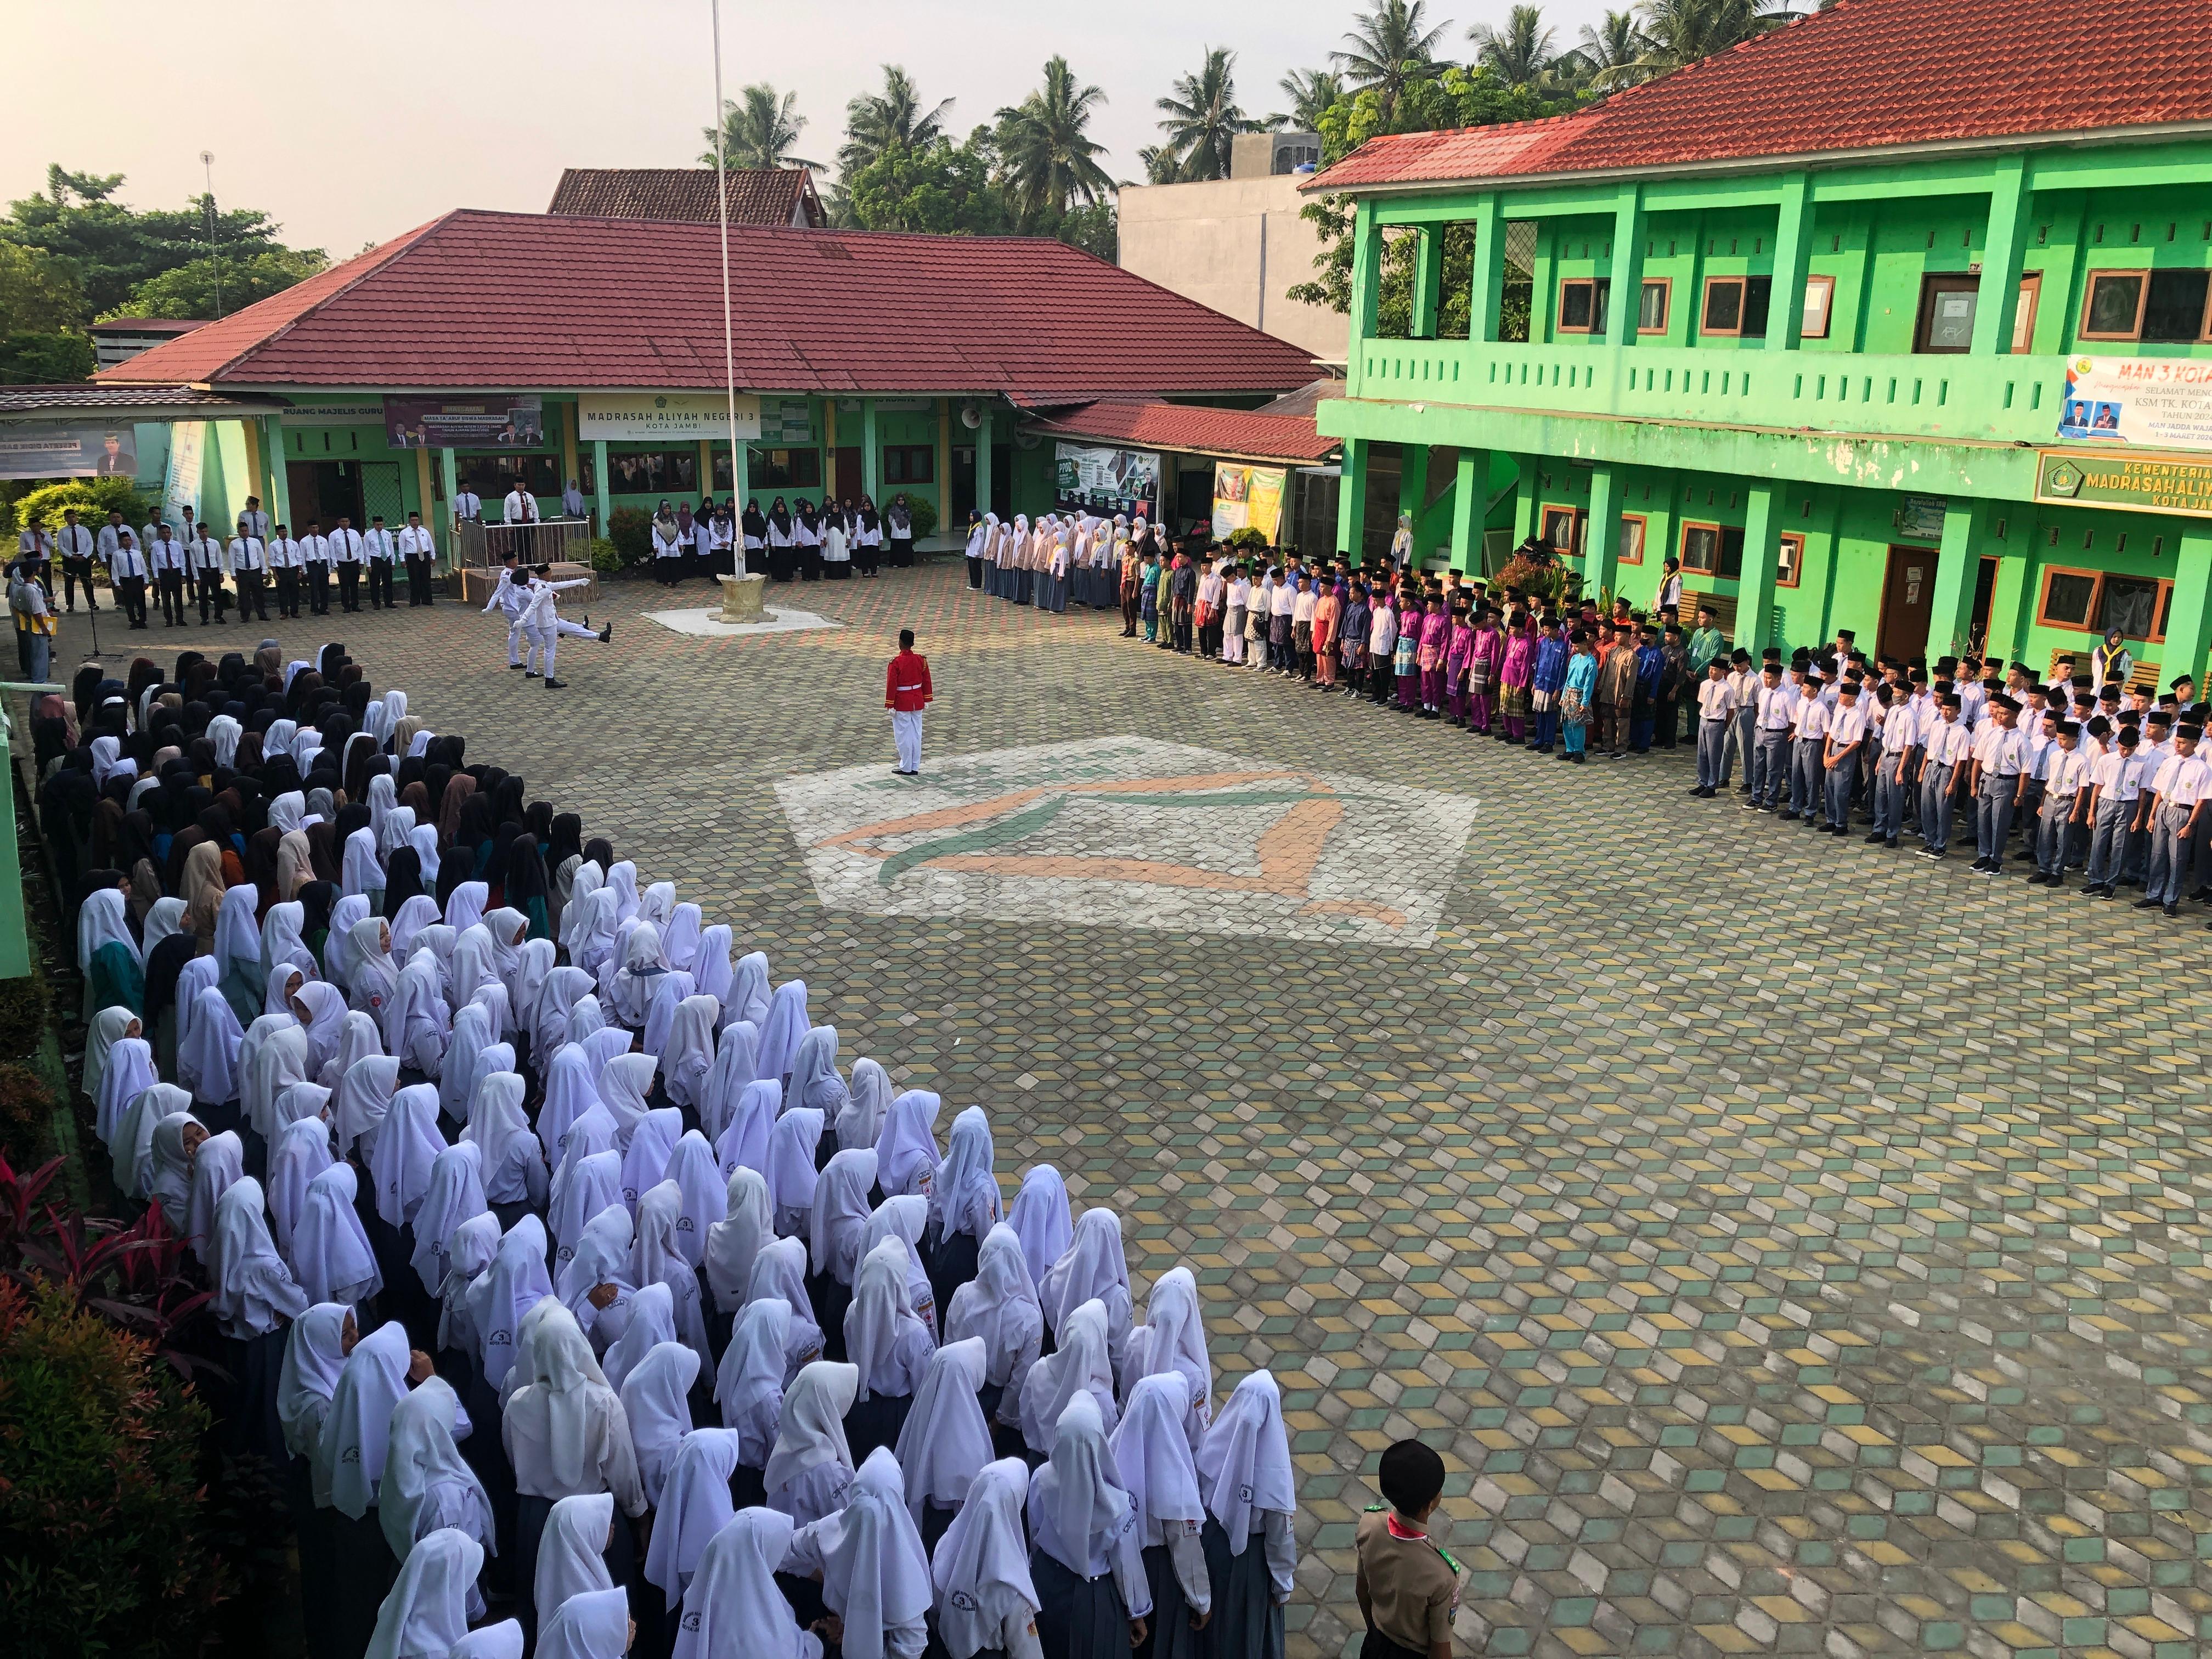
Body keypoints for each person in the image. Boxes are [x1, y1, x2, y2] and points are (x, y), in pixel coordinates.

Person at [1355, 1440, 1459, 1659]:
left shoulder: (1369, 1524)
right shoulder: (1442, 1575)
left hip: (1375, 1644)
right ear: (1431, 1503)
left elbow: (1362, 1591)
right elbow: (1440, 1649)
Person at [885, 629, 932, 778]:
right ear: (912, 644)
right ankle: (914, 766)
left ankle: (906, 766)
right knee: (916, 734)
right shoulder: (921, 660)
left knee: (903, 736)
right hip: (917, 700)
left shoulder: (896, 663)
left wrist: (890, 704)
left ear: (900, 643)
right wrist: (927, 699)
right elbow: (926, 681)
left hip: (902, 702)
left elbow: (892, 685)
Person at [484, 552, 532, 672]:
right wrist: (489, 608)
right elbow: (498, 593)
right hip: (512, 608)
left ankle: (514, 661)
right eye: (515, 559)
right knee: (518, 632)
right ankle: (514, 661)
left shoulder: (512, 573)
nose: (517, 561)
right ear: (509, 562)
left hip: (515, 607)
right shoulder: (506, 576)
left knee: (516, 632)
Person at [10, 557, 55, 683]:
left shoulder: (21, 588)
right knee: (40, 654)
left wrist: (28, 617)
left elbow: (17, 608)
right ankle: (40, 681)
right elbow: (37, 612)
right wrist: (44, 628)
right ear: (33, 572)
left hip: (30, 623)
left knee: (35, 652)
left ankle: (39, 679)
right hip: (38, 626)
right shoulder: (32, 591)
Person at [228, 519, 272, 622]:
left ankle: (262, 615)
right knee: (244, 596)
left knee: (259, 594)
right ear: (238, 532)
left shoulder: (255, 542)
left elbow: (261, 557)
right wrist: (233, 573)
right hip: (242, 572)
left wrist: (264, 571)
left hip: (255, 571)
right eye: (242, 531)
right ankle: (245, 616)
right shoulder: (234, 544)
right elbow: (231, 559)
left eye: (246, 530)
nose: (244, 533)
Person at [56, 507, 97, 613]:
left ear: (76, 518)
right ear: (66, 519)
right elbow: (61, 546)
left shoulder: (84, 530)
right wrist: (70, 556)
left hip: (84, 558)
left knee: (87, 581)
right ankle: (70, 604)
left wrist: (85, 556)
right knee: (69, 582)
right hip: (70, 559)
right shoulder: (62, 532)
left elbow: (90, 544)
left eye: (73, 517)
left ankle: (92, 603)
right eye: (69, 518)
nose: (71, 519)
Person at [150, 521, 190, 627]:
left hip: (176, 573)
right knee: (166, 598)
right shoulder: (155, 546)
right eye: (163, 533)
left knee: (178, 598)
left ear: (171, 534)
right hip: (164, 573)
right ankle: (169, 620)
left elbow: (182, 560)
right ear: (160, 534)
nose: (166, 535)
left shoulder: (177, 545)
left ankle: (180, 619)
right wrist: (156, 577)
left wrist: (183, 575)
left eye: (168, 533)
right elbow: (154, 562)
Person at [108, 527, 150, 628]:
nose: (127, 542)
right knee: (129, 602)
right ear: (120, 542)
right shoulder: (117, 554)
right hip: (126, 580)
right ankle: (133, 621)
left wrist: (146, 580)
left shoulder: (137, 553)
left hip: (138, 579)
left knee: (141, 601)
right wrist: (117, 583)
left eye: (129, 540)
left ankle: (142, 620)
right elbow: (115, 570)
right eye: (125, 540)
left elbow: (143, 567)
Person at [398, 511, 439, 607]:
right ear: (409, 521)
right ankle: (415, 601)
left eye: (416, 520)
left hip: (425, 556)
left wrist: (433, 557)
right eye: (413, 520)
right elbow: (402, 547)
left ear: (419, 520)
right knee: (414, 579)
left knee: (426, 579)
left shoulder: (425, 531)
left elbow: (430, 545)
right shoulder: (404, 533)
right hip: (412, 558)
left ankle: (427, 600)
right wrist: (402, 560)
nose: (415, 522)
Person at [268, 522, 305, 620]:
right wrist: (275, 574)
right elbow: (272, 561)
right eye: (282, 531)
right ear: (277, 533)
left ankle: (295, 611)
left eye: (285, 531)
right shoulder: (273, 545)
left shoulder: (293, 544)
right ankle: (284, 612)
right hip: (281, 571)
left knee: (295, 592)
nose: (284, 533)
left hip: (293, 570)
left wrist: (300, 571)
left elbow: (299, 558)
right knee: (282, 592)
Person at [330, 515, 366, 613]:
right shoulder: (333, 535)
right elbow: (332, 550)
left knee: (355, 585)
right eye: (342, 521)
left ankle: (355, 605)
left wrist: (361, 562)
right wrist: (335, 565)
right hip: (342, 564)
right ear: (338, 522)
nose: (345, 523)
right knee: (344, 585)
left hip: (354, 563)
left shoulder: (355, 534)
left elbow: (360, 548)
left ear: (349, 522)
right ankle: (346, 606)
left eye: (346, 521)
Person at [363, 515, 398, 610]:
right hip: (375, 560)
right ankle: (376, 603)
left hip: (386, 559)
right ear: (374, 524)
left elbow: (391, 548)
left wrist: (393, 561)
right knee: (375, 582)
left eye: (381, 524)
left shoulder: (387, 534)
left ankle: (389, 602)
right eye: (378, 525)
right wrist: (369, 564)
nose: (380, 526)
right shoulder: (368, 535)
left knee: (388, 582)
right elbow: (366, 550)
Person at [503, 478, 539, 564]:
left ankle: (531, 564)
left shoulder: (529, 496)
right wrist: (509, 525)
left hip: (529, 522)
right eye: (519, 485)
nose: (521, 487)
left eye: (523, 485)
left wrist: (537, 522)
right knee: (518, 545)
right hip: (517, 523)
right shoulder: (510, 497)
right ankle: (519, 564)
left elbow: (535, 510)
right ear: (515, 485)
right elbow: (507, 512)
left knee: (529, 544)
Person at [887, 494, 915, 568]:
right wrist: (895, 525)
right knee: (897, 546)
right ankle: (896, 563)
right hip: (896, 530)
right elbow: (890, 519)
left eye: (902, 500)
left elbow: (910, 517)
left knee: (906, 546)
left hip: (906, 530)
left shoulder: (907, 509)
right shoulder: (893, 509)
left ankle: (907, 563)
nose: (901, 502)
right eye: (899, 500)